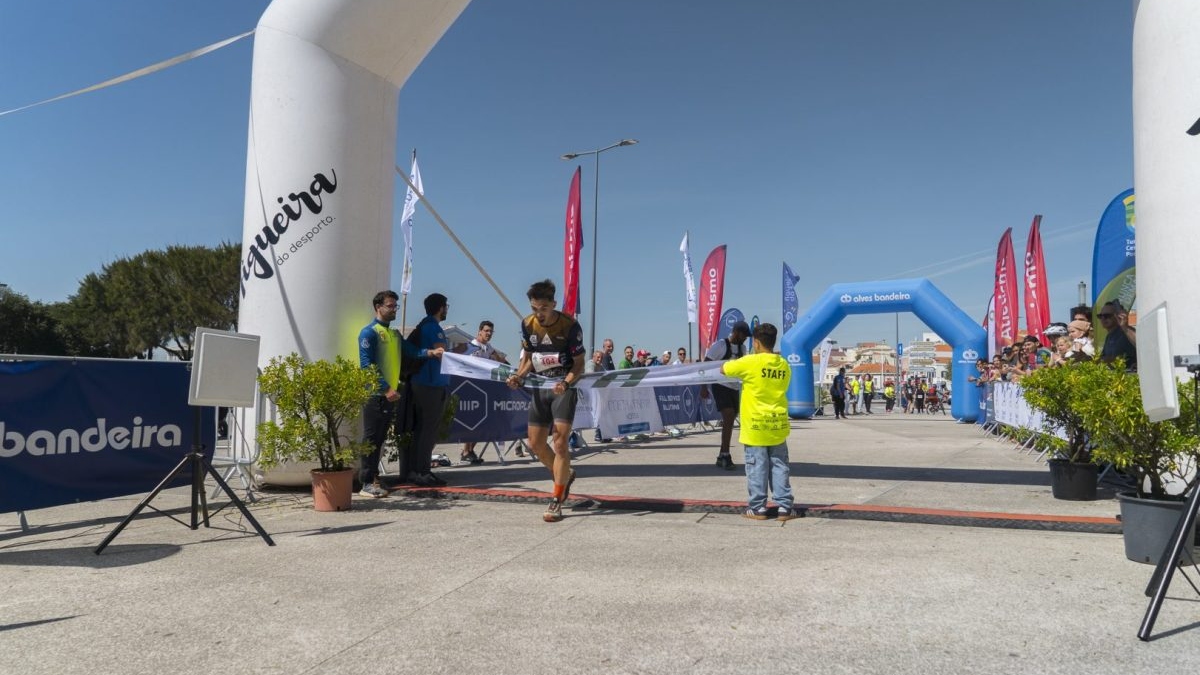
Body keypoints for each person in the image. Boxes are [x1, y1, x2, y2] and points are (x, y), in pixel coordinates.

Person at [505, 279, 585, 523]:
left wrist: (567, 383)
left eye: (543, 308)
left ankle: (557, 498)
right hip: (540, 387)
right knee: (536, 445)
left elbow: (580, 364)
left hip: (563, 387)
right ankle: (565, 475)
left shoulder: (570, 325)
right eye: (534, 308)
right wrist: (518, 377)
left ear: (553, 304)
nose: (538, 314)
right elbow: (528, 359)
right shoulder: (528, 325)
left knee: (560, 443)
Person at [357, 290, 443, 496]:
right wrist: (386, 388)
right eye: (390, 305)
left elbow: (412, 351)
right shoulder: (369, 333)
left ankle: (374, 479)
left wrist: (431, 352)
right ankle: (366, 482)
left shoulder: (394, 334)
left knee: (379, 440)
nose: (395, 309)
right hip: (375, 395)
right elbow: (367, 366)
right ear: (378, 307)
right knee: (371, 439)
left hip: (389, 396)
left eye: (396, 306)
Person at [720, 323, 795, 522]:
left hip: (755, 426)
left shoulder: (750, 362)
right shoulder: (784, 365)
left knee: (757, 467)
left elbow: (724, 368)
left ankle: (758, 507)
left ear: (756, 342)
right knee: (779, 466)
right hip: (777, 424)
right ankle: (784, 507)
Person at [406, 292, 451, 486]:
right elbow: (442, 354)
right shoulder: (434, 328)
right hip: (431, 384)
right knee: (428, 429)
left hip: (421, 382)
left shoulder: (423, 325)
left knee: (421, 429)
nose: (447, 309)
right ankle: (422, 472)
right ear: (441, 308)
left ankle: (416, 470)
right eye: (446, 306)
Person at [703, 320, 750, 470]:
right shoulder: (720, 345)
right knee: (728, 416)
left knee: (730, 420)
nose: (745, 339)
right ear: (736, 332)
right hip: (720, 385)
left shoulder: (743, 348)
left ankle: (722, 454)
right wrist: (703, 387)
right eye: (744, 335)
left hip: (734, 387)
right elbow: (705, 364)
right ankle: (725, 454)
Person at [460, 320, 506, 465]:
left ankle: (469, 451)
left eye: (491, 332)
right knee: (472, 421)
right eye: (486, 331)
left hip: (483, 392)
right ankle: (466, 451)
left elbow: (502, 361)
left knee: (482, 423)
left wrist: (501, 360)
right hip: (470, 390)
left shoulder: (488, 348)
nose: (489, 334)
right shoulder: (471, 346)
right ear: (479, 331)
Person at [1098, 300, 1137, 370]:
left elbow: (1141, 344)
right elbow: (1103, 357)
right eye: (1100, 316)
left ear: (1118, 316)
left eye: (1107, 316)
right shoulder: (1109, 336)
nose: (1103, 318)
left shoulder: (1126, 333)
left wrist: (1125, 326)